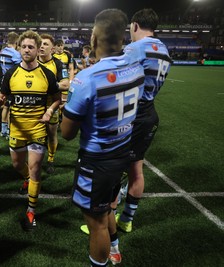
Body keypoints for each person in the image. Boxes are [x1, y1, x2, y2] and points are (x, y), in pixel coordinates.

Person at [60, 9, 145, 267]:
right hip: (122, 152)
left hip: (97, 161)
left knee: (96, 223)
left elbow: (67, 133)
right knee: (108, 207)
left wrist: (69, 97)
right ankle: (115, 247)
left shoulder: (86, 79)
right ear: (124, 38)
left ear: (93, 38)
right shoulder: (137, 68)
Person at [0, 30, 61, 231]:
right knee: (17, 164)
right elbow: (2, 95)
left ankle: (31, 210)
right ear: (19, 48)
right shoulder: (11, 73)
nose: (27, 50)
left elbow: (57, 98)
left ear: (37, 49)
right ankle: (26, 179)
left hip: (37, 130)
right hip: (17, 130)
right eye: (23, 46)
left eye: (31, 47)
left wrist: (49, 111)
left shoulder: (47, 74)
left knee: (35, 170)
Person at [116, 8, 172, 233]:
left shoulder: (134, 48)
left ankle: (105, 223)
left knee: (115, 168)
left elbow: (116, 81)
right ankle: (127, 219)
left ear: (135, 25)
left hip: (131, 114)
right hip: (149, 113)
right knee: (136, 170)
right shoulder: (165, 50)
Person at [38, 34, 69, 174]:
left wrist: (48, 85)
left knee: (51, 134)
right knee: (35, 135)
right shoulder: (31, 62)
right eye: (40, 44)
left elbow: (65, 83)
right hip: (34, 105)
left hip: (52, 105)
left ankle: (50, 159)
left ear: (52, 48)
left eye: (45, 44)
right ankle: (35, 159)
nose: (42, 46)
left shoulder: (58, 63)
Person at [0, 32, 22, 139]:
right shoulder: (15, 54)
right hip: (12, 83)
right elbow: (20, 68)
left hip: (3, 82)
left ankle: (3, 130)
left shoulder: (1, 52)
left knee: (5, 107)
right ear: (16, 42)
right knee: (12, 107)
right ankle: (11, 131)